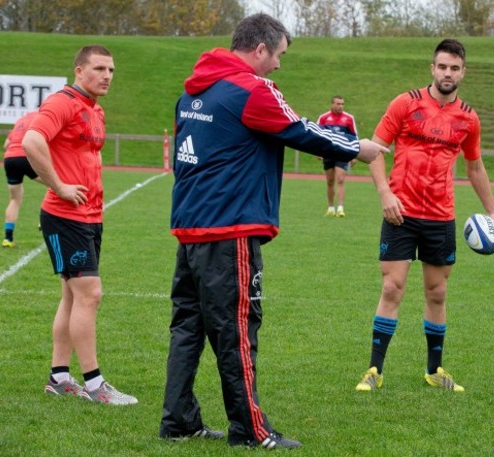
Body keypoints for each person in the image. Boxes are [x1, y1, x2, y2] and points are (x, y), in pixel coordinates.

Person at [159, 13, 387, 449]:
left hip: (190, 230)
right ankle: (249, 430)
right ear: (260, 49)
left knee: (187, 328)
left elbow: (182, 161)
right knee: (238, 330)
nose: (279, 65)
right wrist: (358, 148)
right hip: (231, 231)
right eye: (279, 55)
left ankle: (178, 420)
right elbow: (301, 130)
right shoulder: (252, 89)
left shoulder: (192, 92)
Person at [355, 39, 494, 394]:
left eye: (454, 68)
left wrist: (493, 211)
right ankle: (374, 369)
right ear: (432, 68)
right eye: (442, 66)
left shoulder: (468, 118)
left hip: (441, 216)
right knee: (392, 287)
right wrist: (385, 193)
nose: (447, 73)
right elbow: (375, 151)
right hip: (400, 212)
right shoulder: (405, 103)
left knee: (437, 292)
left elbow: (476, 166)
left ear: (463, 72)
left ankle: (434, 371)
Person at [22, 45, 138, 405]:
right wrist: (58, 185)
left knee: (73, 296)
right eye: (99, 68)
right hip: (64, 215)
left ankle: (59, 377)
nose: (107, 75)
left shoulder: (95, 109)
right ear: (79, 71)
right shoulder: (63, 102)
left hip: (89, 216)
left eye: (111, 70)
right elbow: (31, 140)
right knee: (90, 294)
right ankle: (94, 383)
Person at [2, 110, 44, 247]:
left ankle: (8, 239)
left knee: (14, 199)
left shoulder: (21, 120)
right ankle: (43, 221)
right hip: (26, 156)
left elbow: (6, 145)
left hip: (9, 159)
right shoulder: (42, 117)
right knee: (57, 185)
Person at [317, 95, 358, 217]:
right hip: (328, 152)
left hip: (342, 152)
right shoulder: (324, 118)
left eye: (342, 104)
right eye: (338, 104)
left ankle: (340, 208)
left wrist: (354, 155)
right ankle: (330, 208)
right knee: (330, 181)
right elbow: (316, 135)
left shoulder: (349, 118)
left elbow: (354, 137)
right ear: (332, 104)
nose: (341, 106)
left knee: (340, 179)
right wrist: (317, 151)